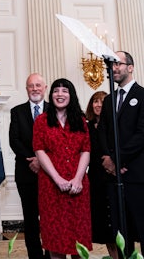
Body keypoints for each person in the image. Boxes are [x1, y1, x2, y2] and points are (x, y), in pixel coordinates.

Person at [97, 51, 144, 259]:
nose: (114, 68)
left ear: (130, 67)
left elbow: (143, 134)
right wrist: (108, 160)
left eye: (118, 63)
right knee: (121, 232)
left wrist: (117, 160)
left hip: (137, 173)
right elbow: (102, 132)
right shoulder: (109, 100)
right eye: (112, 64)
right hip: (112, 175)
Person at [33, 78, 91, 259]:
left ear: (71, 95)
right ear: (51, 95)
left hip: (77, 186)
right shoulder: (41, 121)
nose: (60, 94)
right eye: (56, 91)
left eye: (64, 91)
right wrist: (57, 179)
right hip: (51, 187)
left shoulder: (81, 121)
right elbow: (39, 150)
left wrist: (78, 179)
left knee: (78, 239)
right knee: (55, 239)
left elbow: (86, 150)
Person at [9, 73, 50, 259]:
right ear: (26, 89)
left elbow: (59, 140)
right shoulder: (17, 112)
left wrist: (42, 160)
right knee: (31, 218)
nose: (35, 89)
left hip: (51, 173)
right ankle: (35, 256)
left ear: (45, 88)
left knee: (50, 217)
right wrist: (33, 159)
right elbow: (14, 140)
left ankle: (51, 255)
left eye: (38, 85)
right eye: (31, 86)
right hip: (26, 173)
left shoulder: (54, 110)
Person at [85, 91, 118, 259]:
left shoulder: (115, 124)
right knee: (104, 225)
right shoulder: (86, 127)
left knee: (117, 222)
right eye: (95, 101)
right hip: (95, 179)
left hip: (113, 176)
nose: (98, 105)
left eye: (102, 101)